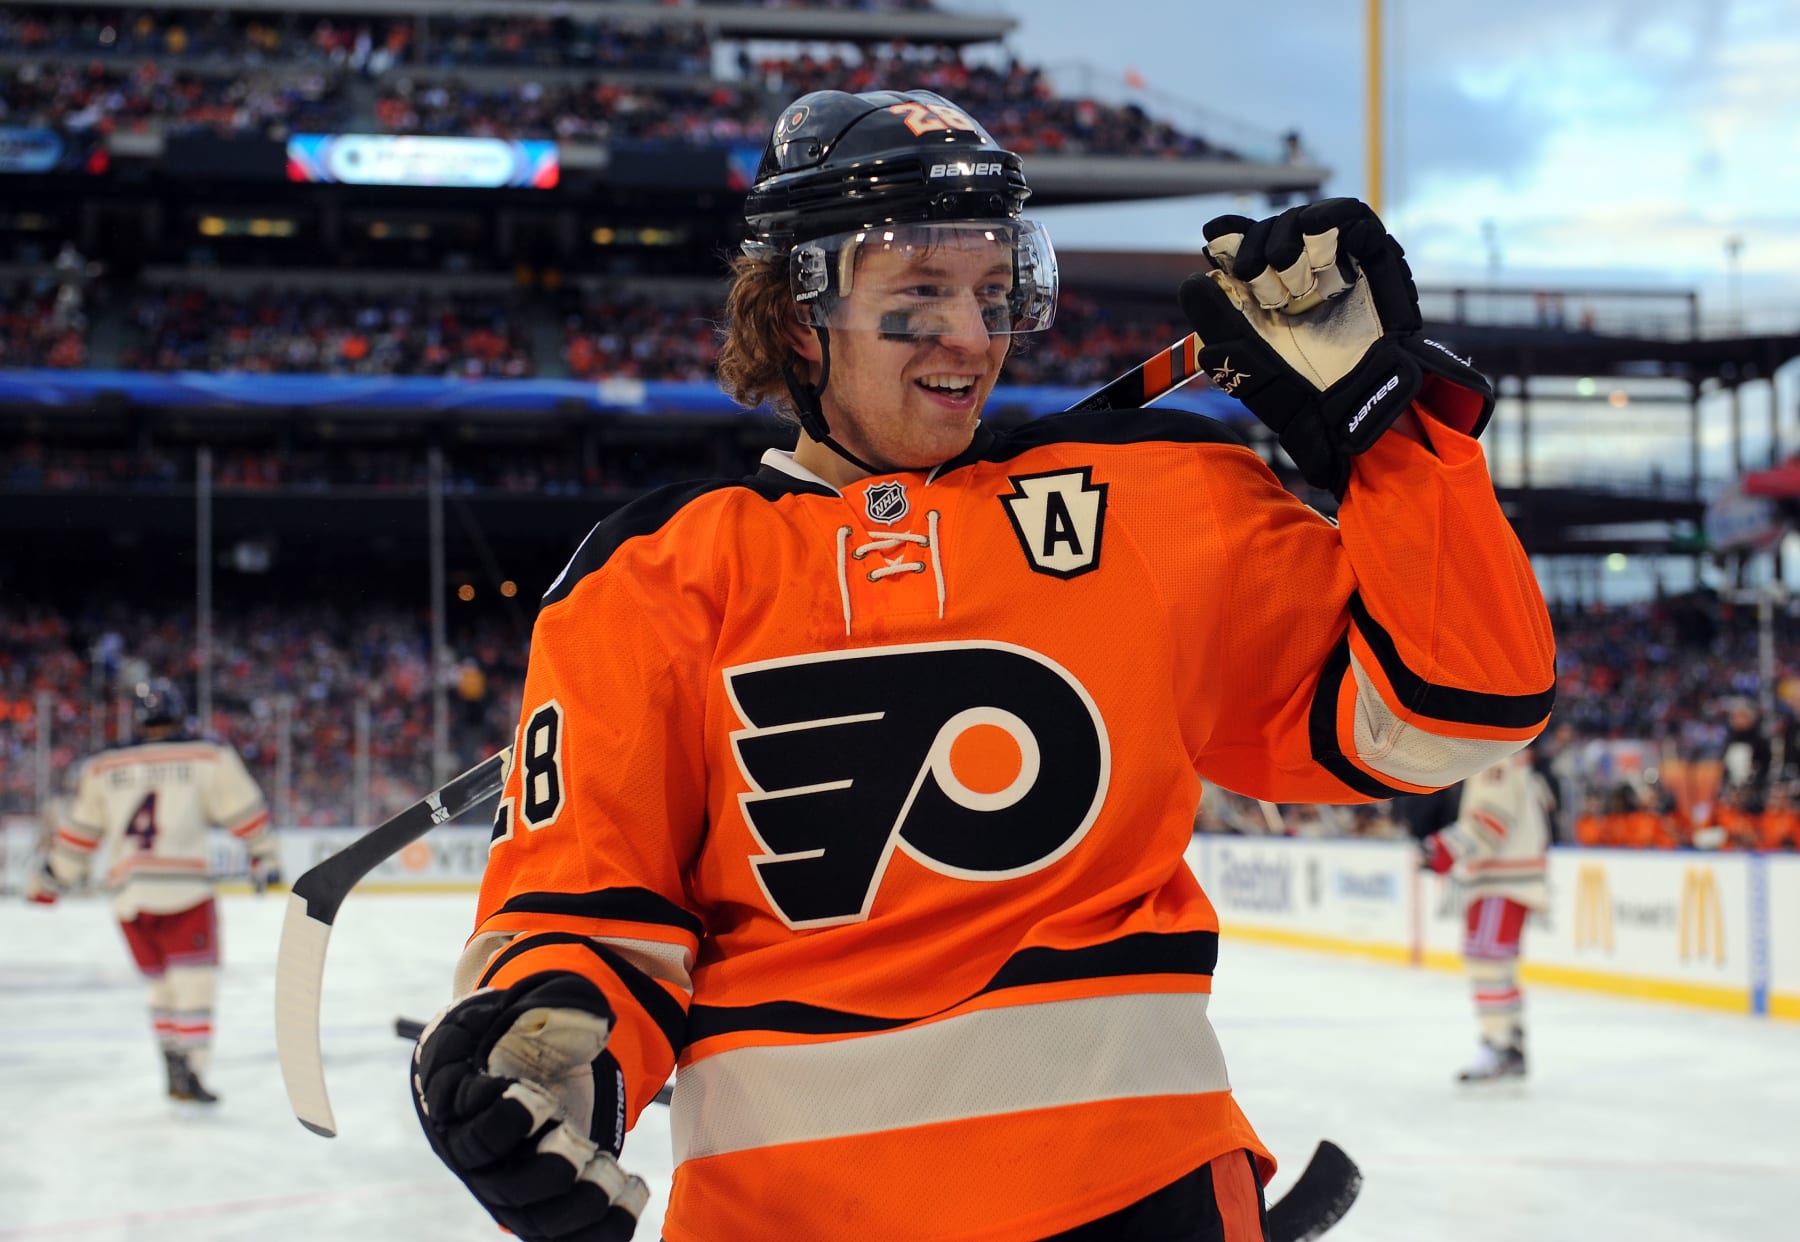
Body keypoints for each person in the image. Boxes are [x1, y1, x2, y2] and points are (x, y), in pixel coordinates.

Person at [409, 88, 1556, 1241]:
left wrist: (1388, 441)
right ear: (800, 315)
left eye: (996, 292)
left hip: (1144, 1201)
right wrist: (538, 1062)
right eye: (918, 298)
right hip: (788, 1220)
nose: (972, 335)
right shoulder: (649, 577)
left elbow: (1460, 713)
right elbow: (592, 929)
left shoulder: (1152, 503)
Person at [25, 679, 279, 1105]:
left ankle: (171, 1060)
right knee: (194, 984)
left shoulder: (103, 767)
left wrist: (52, 880)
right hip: (185, 889)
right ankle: (192, 1069)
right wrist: (264, 857)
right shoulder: (208, 757)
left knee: (159, 986)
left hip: (129, 896)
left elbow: (79, 836)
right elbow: (246, 813)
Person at [1420, 746, 1553, 1085]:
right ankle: (1510, 1043)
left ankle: (1500, 1044)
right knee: (1497, 964)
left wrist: (1445, 847)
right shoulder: (1504, 755)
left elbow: (1491, 818)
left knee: (1487, 961)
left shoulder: (1498, 757)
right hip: (1504, 875)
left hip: (1502, 877)